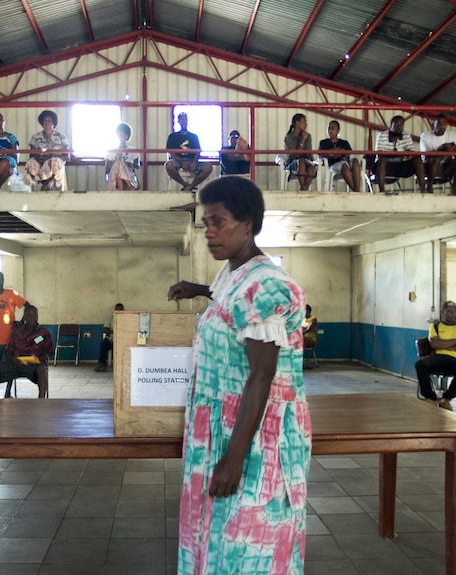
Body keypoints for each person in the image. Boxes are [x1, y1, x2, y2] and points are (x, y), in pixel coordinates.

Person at [167, 177, 310, 574]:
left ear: (247, 223)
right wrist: (195, 288)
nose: (209, 232)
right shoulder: (235, 274)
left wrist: (233, 458)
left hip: (252, 438)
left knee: (248, 544)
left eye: (218, 221)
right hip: (218, 427)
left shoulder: (266, 284)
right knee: (212, 537)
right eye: (205, 223)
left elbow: (261, 376)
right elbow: (229, 301)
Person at [414, 301, 456, 411]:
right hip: (437, 358)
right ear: (443, 313)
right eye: (450, 311)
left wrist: (444, 344)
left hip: (455, 360)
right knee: (420, 364)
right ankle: (430, 397)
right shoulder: (435, 326)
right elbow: (434, 344)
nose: (453, 314)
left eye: (455, 311)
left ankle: (447, 399)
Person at [0, 304, 54, 399]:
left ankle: (41, 400)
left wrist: (38, 359)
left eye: (34, 315)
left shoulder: (43, 333)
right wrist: (12, 358)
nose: (32, 318)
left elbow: (49, 352)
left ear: (37, 316)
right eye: (29, 315)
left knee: (41, 370)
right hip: (16, 363)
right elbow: (9, 350)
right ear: (24, 317)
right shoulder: (17, 332)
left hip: (34, 364)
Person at [374, 115, 426, 194]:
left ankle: (423, 189)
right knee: (382, 160)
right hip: (387, 165)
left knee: (418, 160)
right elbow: (380, 153)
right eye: (396, 125)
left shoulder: (406, 135)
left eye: (401, 125)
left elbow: (411, 152)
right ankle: (382, 190)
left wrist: (398, 153)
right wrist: (399, 153)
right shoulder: (382, 135)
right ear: (391, 125)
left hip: (401, 164)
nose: (399, 127)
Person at [164, 111, 212, 192]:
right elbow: (171, 153)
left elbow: (198, 152)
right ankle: (185, 184)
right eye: (182, 120)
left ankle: (190, 186)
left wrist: (194, 162)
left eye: (185, 120)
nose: (184, 122)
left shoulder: (194, 137)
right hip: (178, 161)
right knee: (169, 165)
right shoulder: (172, 136)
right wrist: (182, 162)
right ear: (178, 121)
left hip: (191, 161)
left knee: (208, 167)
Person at [420, 113, 456, 195]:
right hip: (431, 165)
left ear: (446, 124)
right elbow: (427, 154)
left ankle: (454, 190)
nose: (441, 126)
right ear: (433, 124)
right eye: (438, 124)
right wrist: (441, 148)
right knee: (436, 158)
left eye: (443, 124)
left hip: (447, 165)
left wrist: (451, 149)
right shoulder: (425, 135)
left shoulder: (453, 135)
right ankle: (429, 188)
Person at [25, 110, 70, 191]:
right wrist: (39, 154)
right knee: (30, 163)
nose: (47, 122)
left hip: (56, 162)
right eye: (45, 121)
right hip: (40, 161)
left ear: (53, 123)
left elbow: (66, 155)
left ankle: (47, 183)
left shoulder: (61, 136)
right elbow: (32, 154)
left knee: (53, 162)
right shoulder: (36, 136)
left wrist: (55, 159)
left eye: (49, 121)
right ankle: (39, 184)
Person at [318, 120, 361, 192]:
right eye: (328, 128)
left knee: (355, 162)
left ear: (337, 131)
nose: (330, 130)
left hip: (345, 162)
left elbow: (350, 154)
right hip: (333, 165)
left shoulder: (344, 143)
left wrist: (346, 157)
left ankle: (356, 190)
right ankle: (356, 191)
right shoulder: (324, 143)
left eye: (333, 128)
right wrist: (331, 154)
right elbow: (321, 156)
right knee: (344, 166)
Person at [284, 113, 318, 191]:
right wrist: (302, 140)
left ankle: (304, 188)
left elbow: (309, 153)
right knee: (301, 161)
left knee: (312, 166)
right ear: (297, 122)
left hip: (306, 160)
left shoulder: (308, 136)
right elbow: (295, 155)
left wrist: (307, 157)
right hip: (293, 162)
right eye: (304, 121)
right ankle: (303, 186)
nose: (306, 124)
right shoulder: (288, 138)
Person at [105, 123, 140, 190]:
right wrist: (117, 163)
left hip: (128, 174)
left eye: (121, 135)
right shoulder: (112, 151)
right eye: (118, 135)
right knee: (118, 163)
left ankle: (122, 193)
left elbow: (137, 165)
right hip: (113, 176)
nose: (119, 137)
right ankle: (130, 185)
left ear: (126, 136)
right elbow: (107, 168)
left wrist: (127, 164)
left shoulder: (133, 151)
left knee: (119, 176)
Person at [94, 303, 124, 372]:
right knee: (103, 344)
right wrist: (115, 331)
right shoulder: (110, 319)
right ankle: (102, 364)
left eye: (121, 309)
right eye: (117, 309)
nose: (119, 310)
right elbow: (105, 329)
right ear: (115, 310)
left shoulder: (126, 319)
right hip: (111, 340)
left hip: (121, 341)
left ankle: (123, 365)